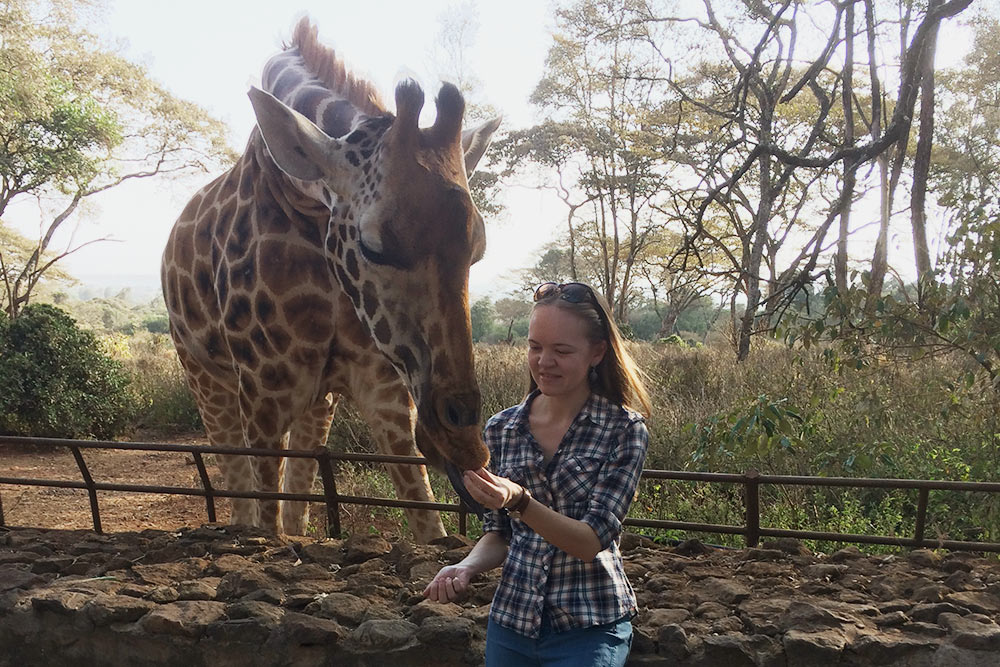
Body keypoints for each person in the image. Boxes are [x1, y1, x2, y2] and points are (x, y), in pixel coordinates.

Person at [424, 281, 652, 667]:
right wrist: (466, 566)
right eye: (535, 347)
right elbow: (499, 535)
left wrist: (521, 500)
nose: (544, 361)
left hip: (589, 624)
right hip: (512, 622)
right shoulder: (502, 428)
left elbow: (589, 541)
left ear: (597, 352)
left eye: (562, 351)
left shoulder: (624, 430)